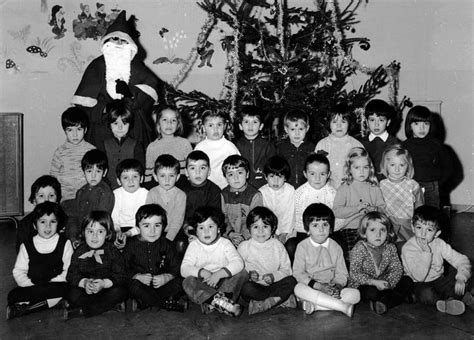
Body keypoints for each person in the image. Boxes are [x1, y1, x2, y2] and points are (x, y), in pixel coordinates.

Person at [71, 10, 164, 149]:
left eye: (123, 40)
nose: (119, 43)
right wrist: (103, 108)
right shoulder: (97, 66)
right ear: (107, 41)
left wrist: (130, 93)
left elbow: (150, 92)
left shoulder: (137, 67)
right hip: (102, 128)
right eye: (115, 39)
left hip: (132, 126)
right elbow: (82, 103)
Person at [401, 206, 473, 315]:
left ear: (437, 233)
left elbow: (460, 259)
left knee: (463, 276)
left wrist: (461, 278)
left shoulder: (439, 243)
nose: (423, 234)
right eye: (419, 227)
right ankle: (451, 301)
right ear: (412, 226)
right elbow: (419, 276)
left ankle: (458, 299)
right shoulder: (408, 248)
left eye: (429, 230)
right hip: (418, 283)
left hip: (438, 279)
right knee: (427, 294)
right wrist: (426, 253)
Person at [7, 202, 73, 319]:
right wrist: (29, 285)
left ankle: (27, 309)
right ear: (34, 225)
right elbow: (18, 271)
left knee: (69, 289)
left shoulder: (65, 243)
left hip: (55, 285)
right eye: (43, 222)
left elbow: (69, 270)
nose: (48, 227)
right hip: (33, 286)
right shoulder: (26, 245)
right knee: (13, 295)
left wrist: (52, 283)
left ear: (58, 224)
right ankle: (52, 303)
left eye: (52, 222)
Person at [293, 203, 360, 317]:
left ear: (330, 228)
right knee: (298, 288)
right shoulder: (302, 246)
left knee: (355, 294)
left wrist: (337, 286)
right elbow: (298, 273)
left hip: (331, 288)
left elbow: (342, 273)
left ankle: (316, 307)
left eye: (325, 224)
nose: (321, 229)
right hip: (312, 288)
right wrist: (319, 286)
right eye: (315, 225)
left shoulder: (336, 247)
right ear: (307, 230)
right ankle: (341, 306)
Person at [181, 206, 248, 317]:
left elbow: (238, 263)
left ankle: (212, 302)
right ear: (196, 232)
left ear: (218, 229)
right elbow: (184, 269)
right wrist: (203, 273)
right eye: (201, 228)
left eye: (210, 226)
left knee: (243, 273)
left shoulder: (225, 243)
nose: (206, 231)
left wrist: (218, 274)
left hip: (223, 282)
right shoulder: (194, 245)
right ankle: (218, 302)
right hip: (203, 283)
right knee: (187, 281)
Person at [65, 211, 128, 319]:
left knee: (121, 291)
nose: (95, 236)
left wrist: (104, 283)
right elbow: (71, 274)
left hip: (106, 288)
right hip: (85, 290)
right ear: (84, 232)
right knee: (70, 292)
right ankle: (105, 307)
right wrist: (84, 283)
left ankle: (84, 310)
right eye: (90, 231)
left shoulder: (112, 250)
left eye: (100, 232)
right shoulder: (79, 251)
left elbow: (120, 274)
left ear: (107, 234)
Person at [125, 204, 188, 312]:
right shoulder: (131, 245)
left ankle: (146, 302)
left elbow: (177, 267)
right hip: (141, 284)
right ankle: (164, 303)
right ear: (137, 228)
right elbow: (122, 268)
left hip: (162, 284)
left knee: (183, 281)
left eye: (157, 225)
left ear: (163, 227)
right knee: (131, 285)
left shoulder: (167, 244)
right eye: (146, 226)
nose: (152, 230)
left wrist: (167, 277)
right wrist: (137, 276)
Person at [237, 207, 297, 315]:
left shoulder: (277, 245)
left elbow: (287, 270)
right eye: (255, 227)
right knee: (246, 288)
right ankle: (280, 299)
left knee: (292, 281)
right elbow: (238, 269)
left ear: (273, 228)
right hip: (256, 287)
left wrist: (274, 276)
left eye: (265, 226)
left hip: (274, 285)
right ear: (248, 228)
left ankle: (265, 303)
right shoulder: (244, 247)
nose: (260, 231)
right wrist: (249, 275)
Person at [333, 147, 386, 257]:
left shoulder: (374, 188)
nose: (362, 171)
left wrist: (375, 209)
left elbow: (383, 209)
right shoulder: (345, 187)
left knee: (377, 254)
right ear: (349, 169)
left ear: (370, 168)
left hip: (372, 228)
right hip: (351, 229)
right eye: (357, 167)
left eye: (365, 167)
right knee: (354, 255)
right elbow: (337, 211)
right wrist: (356, 208)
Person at [349, 212, 405, 315]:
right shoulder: (359, 248)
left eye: (382, 230)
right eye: (372, 230)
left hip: (385, 282)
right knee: (371, 292)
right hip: (365, 284)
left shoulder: (390, 247)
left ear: (388, 232)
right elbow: (354, 273)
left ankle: (384, 302)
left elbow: (397, 268)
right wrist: (373, 282)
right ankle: (394, 298)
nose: (378, 234)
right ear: (364, 233)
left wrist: (388, 283)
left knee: (407, 281)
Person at [402, 106, 451, 208]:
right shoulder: (404, 146)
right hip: (410, 187)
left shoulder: (436, 145)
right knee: (411, 216)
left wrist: (438, 184)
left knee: (431, 218)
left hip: (431, 188)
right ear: (409, 125)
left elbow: (448, 168)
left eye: (426, 124)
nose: (422, 128)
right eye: (416, 124)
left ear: (431, 125)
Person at [290, 153, 337, 257]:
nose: (317, 178)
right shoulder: (299, 194)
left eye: (322, 174)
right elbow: (297, 221)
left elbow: (336, 219)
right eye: (312, 174)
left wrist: (324, 233)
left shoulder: (333, 194)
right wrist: (311, 234)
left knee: (336, 246)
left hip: (326, 232)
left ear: (328, 174)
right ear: (305, 174)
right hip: (306, 232)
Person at [65, 149, 114, 245]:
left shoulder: (105, 193)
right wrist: (73, 236)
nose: (93, 175)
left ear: (104, 173)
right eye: (89, 171)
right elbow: (76, 215)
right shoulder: (81, 191)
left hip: (98, 233)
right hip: (82, 232)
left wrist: (84, 236)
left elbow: (100, 221)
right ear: (84, 172)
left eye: (98, 171)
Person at [379, 144, 424, 241]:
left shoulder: (413, 185)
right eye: (392, 165)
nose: (397, 169)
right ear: (385, 166)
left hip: (408, 225)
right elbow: (379, 207)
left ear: (408, 166)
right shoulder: (381, 185)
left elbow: (420, 207)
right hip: (389, 224)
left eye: (402, 165)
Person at [50, 107, 95, 201]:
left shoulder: (92, 150)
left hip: (86, 198)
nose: (75, 135)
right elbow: (53, 177)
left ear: (85, 130)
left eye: (79, 129)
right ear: (65, 131)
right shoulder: (60, 152)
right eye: (70, 130)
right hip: (65, 198)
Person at [175, 151, 221, 240]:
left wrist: (200, 232)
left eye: (203, 168)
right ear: (186, 172)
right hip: (187, 227)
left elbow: (215, 217)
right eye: (192, 168)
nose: (198, 172)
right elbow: (179, 214)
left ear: (209, 171)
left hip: (208, 228)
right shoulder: (181, 190)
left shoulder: (214, 190)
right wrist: (186, 227)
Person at [100, 99, 145, 190]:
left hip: (131, 188)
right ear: (109, 125)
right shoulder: (103, 145)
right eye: (115, 123)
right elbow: (100, 170)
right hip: (108, 189)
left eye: (124, 123)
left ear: (130, 124)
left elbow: (140, 170)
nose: (120, 127)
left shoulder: (136, 145)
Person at [315, 104, 364, 189]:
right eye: (334, 122)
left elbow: (363, 170)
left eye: (343, 122)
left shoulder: (357, 145)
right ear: (329, 124)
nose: (339, 126)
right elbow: (315, 169)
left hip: (351, 190)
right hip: (327, 190)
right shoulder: (322, 145)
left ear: (349, 124)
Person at [221, 155, 263, 247]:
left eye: (240, 173)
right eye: (231, 174)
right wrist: (230, 234)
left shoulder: (255, 195)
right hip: (228, 237)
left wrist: (244, 237)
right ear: (226, 178)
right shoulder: (223, 194)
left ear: (247, 174)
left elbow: (255, 221)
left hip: (249, 238)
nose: (236, 178)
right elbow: (223, 219)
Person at [194, 110, 240, 189]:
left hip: (225, 187)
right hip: (205, 187)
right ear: (204, 127)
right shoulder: (200, 148)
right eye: (211, 125)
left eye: (219, 125)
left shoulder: (229, 147)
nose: (215, 129)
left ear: (225, 126)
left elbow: (239, 167)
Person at [145, 104, 192, 182]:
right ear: (158, 124)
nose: (169, 123)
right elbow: (149, 175)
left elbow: (191, 169)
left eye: (173, 120)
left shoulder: (185, 144)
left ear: (178, 125)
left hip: (182, 185)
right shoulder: (152, 147)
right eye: (164, 120)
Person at [145, 154, 186, 243]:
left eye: (171, 176)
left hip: (173, 233)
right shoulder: (152, 193)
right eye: (162, 176)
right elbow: (149, 218)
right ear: (155, 177)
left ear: (177, 177)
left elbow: (177, 221)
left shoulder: (180, 195)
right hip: (154, 232)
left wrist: (168, 240)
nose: (167, 180)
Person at [16, 175, 62, 252]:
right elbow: (21, 250)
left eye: (51, 196)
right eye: (41, 196)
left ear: (57, 200)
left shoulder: (64, 220)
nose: (46, 200)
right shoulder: (25, 224)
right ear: (34, 201)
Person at [235, 105, 275, 188]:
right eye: (246, 122)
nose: (250, 126)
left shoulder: (268, 146)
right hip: (242, 186)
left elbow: (273, 168)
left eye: (255, 122)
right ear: (240, 126)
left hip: (263, 186)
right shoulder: (236, 146)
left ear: (261, 126)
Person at [111, 159, 148, 248]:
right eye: (125, 177)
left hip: (139, 229)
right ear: (119, 181)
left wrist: (128, 234)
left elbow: (145, 221)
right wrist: (118, 232)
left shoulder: (146, 194)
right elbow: (114, 218)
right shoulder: (116, 194)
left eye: (135, 176)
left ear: (141, 178)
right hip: (119, 228)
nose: (130, 181)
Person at [259, 155, 295, 244]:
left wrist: (284, 233)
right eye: (272, 176)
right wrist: (272, 233)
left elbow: (290, 214)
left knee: (290, 246)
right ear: (265, 176)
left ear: (285, 177)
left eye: (280, 177)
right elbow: (263, 216)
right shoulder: (261, 192)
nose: (276, 181)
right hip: (268, 231)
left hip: (287, 231)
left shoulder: (290, 190)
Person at [358, 99, 399, 179]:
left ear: (388, 122)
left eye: (381, 120)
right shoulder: (360, 143)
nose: (376, 124)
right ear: (366, 121)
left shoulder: (395, 144)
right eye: (372, 120)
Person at [275, 109, 315, 189]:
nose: (297, 133)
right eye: (293, 129)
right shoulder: (281, 148)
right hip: (286, 188)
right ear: (286, 129)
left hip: (307, 188)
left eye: (301, 129)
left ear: (307, 128)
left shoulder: (312, 148)